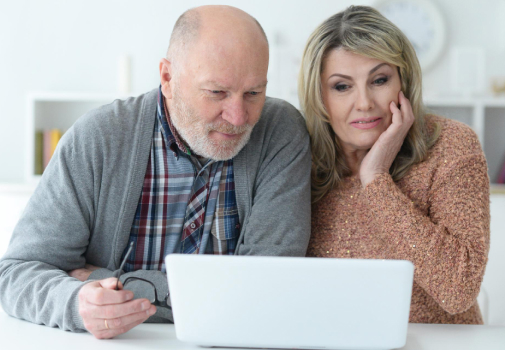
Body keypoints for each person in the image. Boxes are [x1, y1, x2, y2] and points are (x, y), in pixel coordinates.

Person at [0, 5, 311, 338]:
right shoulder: (98, 138)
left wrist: (120, 283)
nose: (238, 116)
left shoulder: (281, 132)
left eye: (253, 93)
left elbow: (268, 289)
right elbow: (17, 273)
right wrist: (77, 302)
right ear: (167, 77)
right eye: (216, 92)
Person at [298, 6, 490, 324]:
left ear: (404, 81)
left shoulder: (452, 147)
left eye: (379, 80)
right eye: (342, 86)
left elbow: (458, 288)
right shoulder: (299, 159)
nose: (364, 103)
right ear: (320, 96)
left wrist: (375, 180)